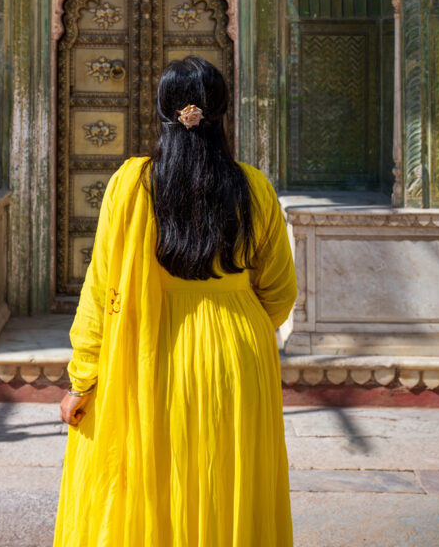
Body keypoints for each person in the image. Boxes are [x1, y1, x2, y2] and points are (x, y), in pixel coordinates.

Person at [54, 55, 297, 547]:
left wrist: (82, 380)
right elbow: (279, 292)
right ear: (221, 112)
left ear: (164, 112)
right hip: (237, 352)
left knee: (148, 484)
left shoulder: (131, 183)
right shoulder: (254, 187)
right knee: (227, 485)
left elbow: (101, 290)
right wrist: (235, 319)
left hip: (149, 352)